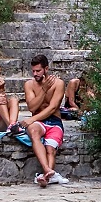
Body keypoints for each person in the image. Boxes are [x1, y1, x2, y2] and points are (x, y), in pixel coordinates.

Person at [23, 54, 68, 187]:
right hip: (39, 122)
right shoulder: (29, 84)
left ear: (46, 69)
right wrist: (43, 90)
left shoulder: (59, 84)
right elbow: (32, 106)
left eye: (38, 71)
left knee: (50, 149)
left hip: (54, 121)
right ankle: (48, 171)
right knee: (33, 131)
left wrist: (32, 118)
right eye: (33, 71)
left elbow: (53, 107)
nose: (35, 74)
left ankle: (45, 177)